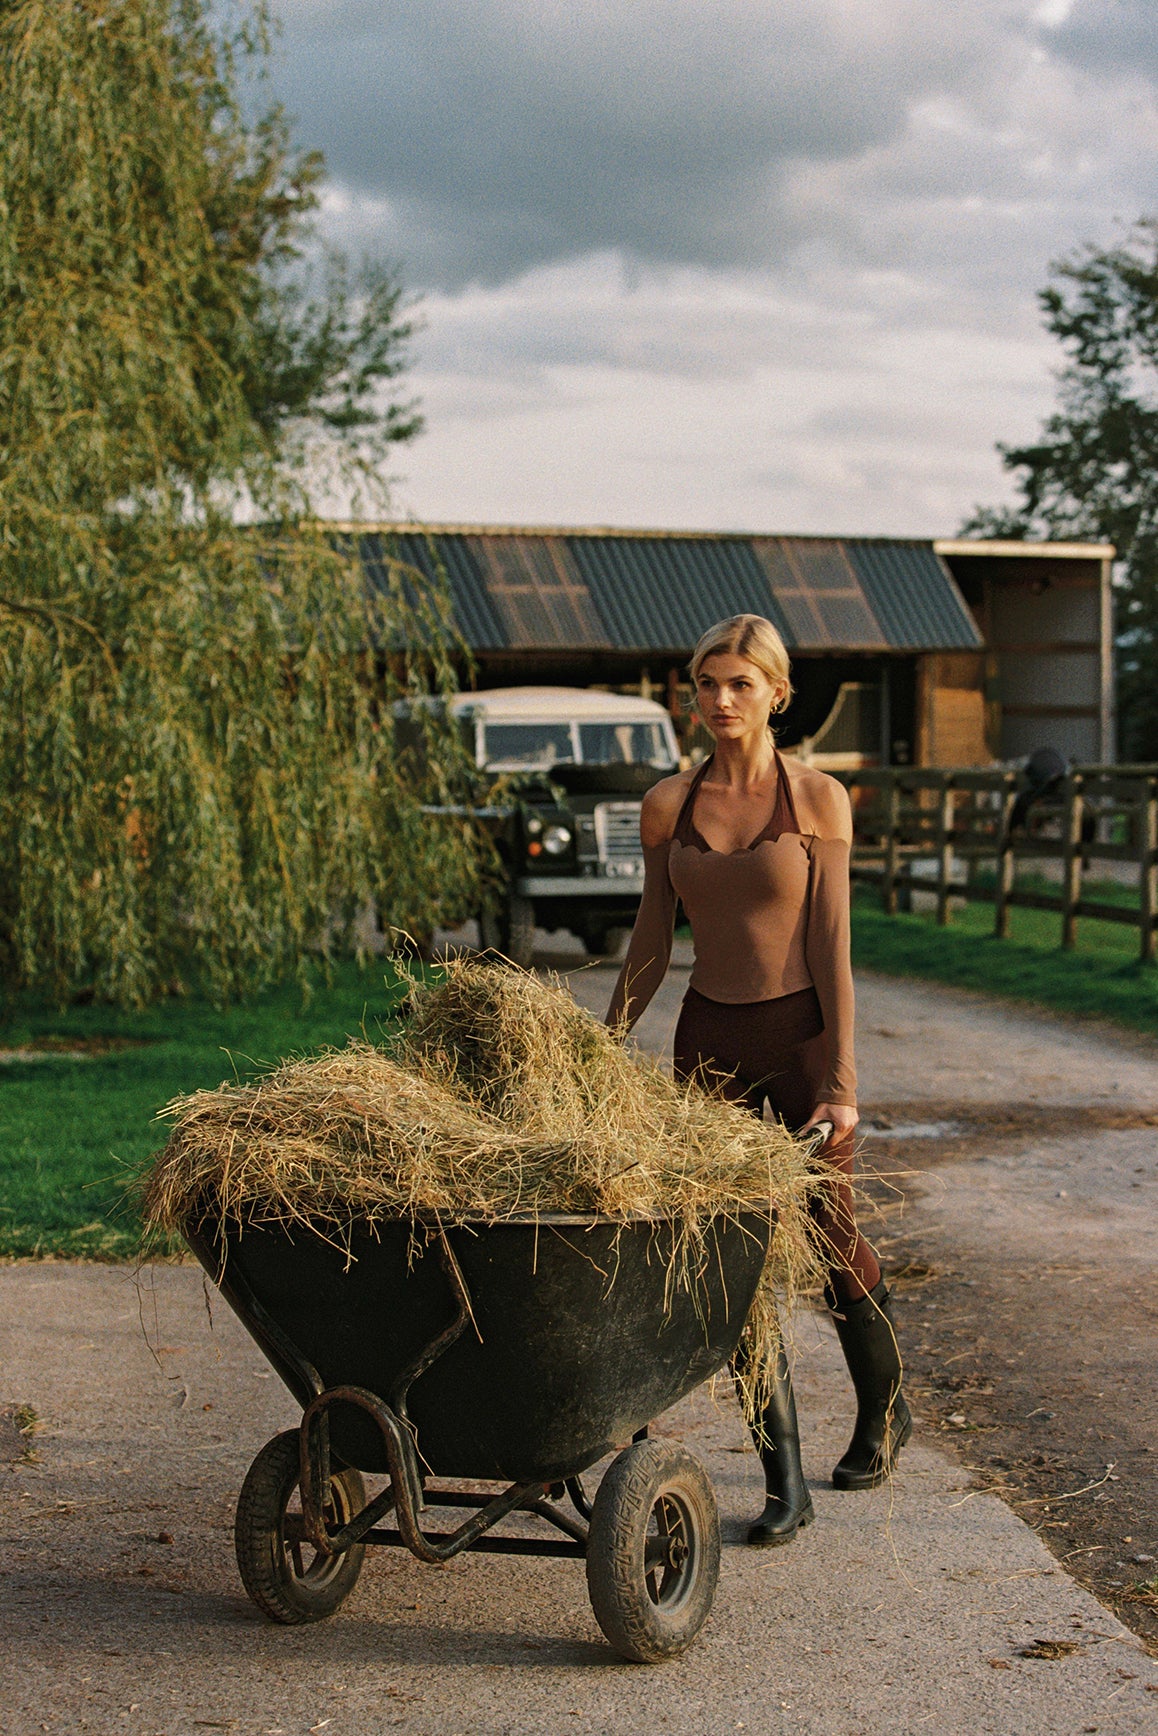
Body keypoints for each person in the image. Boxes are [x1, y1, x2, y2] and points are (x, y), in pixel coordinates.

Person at [605, 614, 911, 1546]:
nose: (721, 700)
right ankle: (784, 1481)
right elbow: (653, 942)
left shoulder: (818, 800)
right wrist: (600, 1048)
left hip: (805, 1043)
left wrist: (842, 1080)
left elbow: (834, 947)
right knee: (729, 1260)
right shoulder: (668, 805)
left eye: (740, 684)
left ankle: (884, 1412)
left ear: (777, 692)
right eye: (707, 684)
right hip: (709, 1048)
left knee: (828, 1237)